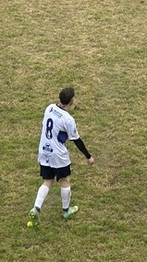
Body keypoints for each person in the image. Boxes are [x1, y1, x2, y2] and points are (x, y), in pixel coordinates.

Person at [28, 87, 94, 227]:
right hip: (58, 154)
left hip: (44, 150)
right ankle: (66, 210)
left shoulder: (49, 108)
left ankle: (36, 207)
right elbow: (76, 140)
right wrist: (88, 156)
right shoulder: (68, 119)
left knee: (47, 181)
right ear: (71, 101)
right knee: (65, 180)